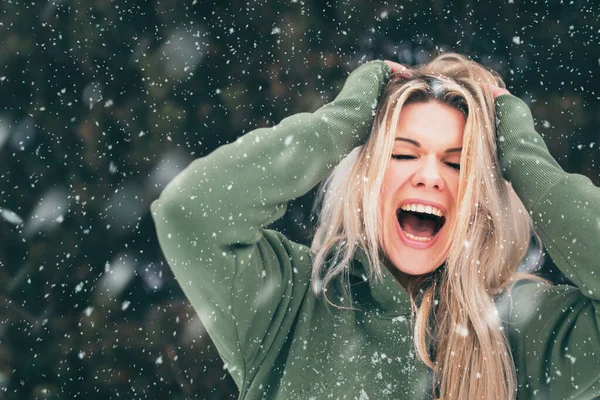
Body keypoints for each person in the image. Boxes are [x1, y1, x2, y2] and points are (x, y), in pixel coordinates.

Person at [150, 53, 600, 399]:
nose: (428, 176)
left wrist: (522, 156)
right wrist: (341, 121)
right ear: (368, 177)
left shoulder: (525, 330)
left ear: (480, 198)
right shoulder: (289, 300)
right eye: (403, 154)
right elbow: (189, 213)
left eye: (457, 164)